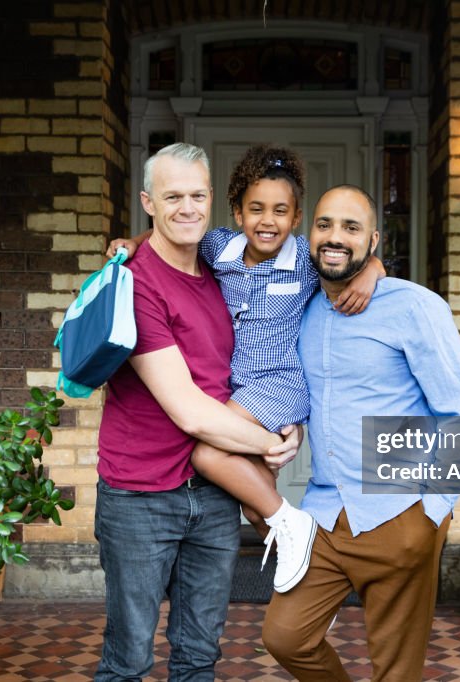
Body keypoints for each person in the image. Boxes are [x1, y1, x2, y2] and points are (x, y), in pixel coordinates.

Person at [109, 144, 383, 593]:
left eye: (280, 211)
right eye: (256, 209)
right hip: (235, 390)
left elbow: (349, 258)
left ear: (296, 219)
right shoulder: (219, 247)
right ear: (236, 212)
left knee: (206, 453)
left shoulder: (306, 264)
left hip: (278, 386)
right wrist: (131, 243)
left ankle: (296, 529)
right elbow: (162, 238)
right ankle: (308, 575)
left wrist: (372, 269)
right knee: (254, 502)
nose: (267, 221)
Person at [94, 142, 301, 681]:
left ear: (211, 201)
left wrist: (286, 415)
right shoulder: (136, 282)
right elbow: (189, 411)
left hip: (210, 497)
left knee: (198, 655)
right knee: (129, 659)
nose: (186, 208)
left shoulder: (221, 265)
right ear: (148, 202)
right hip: (142, 495)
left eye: (196, 195)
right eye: (172, 197)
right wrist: (271, 443)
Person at [262, 185, 460, 681]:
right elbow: (216, 250)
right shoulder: (298, 306)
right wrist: (135, 245)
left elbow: (459, 415)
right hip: (324, 511)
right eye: (324, 225)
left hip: (399, 508)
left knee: (396, 670)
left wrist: (433, 511)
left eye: (351, 227)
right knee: (285, 636)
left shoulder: (415, 308)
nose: (335, 237)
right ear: (307, 234)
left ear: (373, 240)